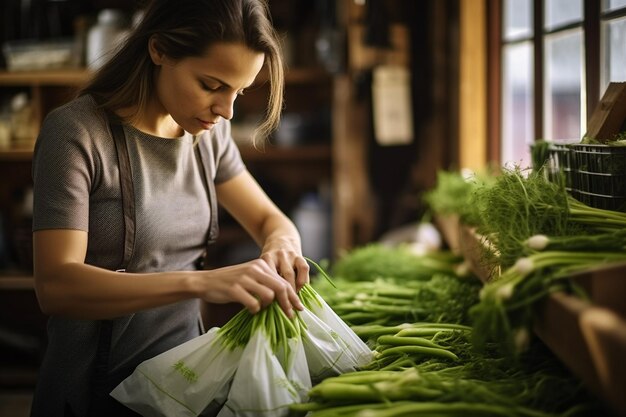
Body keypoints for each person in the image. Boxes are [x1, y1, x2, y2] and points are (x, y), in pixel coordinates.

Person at [29, 1, 310, 416]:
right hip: (93, 396)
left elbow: (270, 220)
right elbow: (56, 286)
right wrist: (201, 283)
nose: (226, 110)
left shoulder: (207, 135)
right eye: (212, 85)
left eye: (240, 91)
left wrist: (282, 244)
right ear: (159, 50)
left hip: (183, 391)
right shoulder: (76, 134)